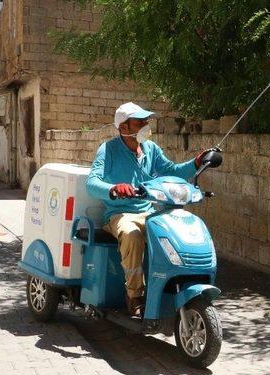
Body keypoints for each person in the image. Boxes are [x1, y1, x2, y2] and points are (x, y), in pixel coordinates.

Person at [86, 102, 216, 317]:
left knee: (174, 235)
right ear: (124, 127)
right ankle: (134, 295)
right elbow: (92, 183)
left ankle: (172, 286)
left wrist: (197, 162)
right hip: (121, 215)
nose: (146, 125)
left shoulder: (151, 149)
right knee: (132, 235)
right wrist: (114, 188)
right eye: (140, 122)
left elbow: (172, 171)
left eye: (146, 121)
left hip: (150, 212)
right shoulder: (108, 150)